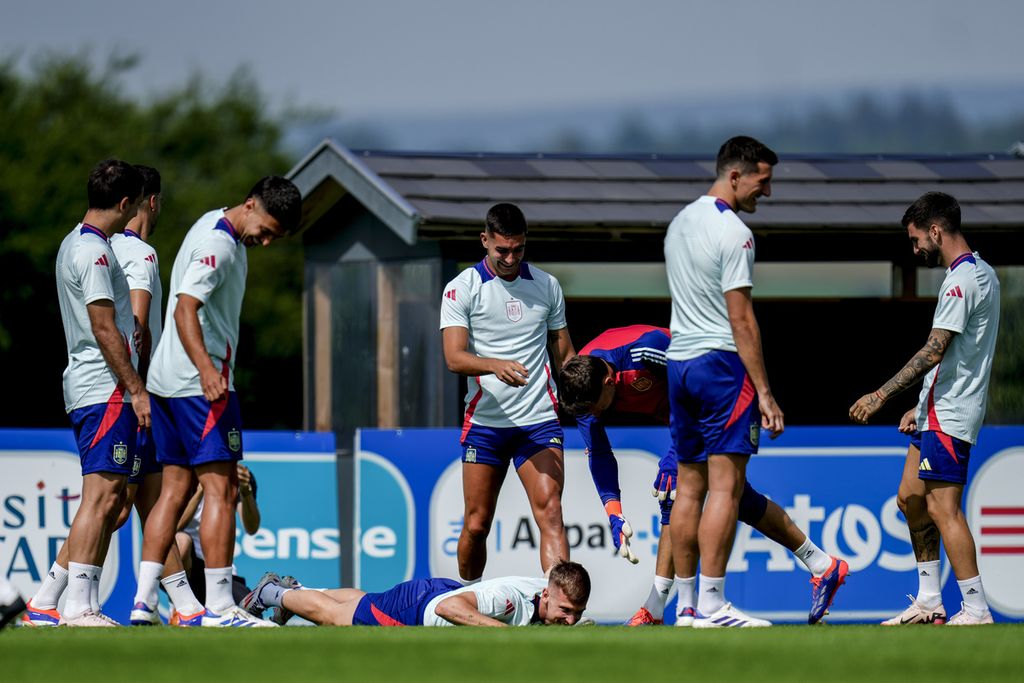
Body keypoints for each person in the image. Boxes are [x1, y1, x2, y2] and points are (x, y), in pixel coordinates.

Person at [558, 325, 847, 626]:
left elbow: (697, 389)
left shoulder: (646, 351)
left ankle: (676, 608)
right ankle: (823, 565)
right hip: (679, 413)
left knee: (678, 492)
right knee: (740, 500)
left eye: (593, 409)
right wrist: (614, 513)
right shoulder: (581, 386)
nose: (592, 416)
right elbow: (600, 453)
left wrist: (673, 457)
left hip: (716, 396)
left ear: (609, 382)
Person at [136, 176, 302, 628]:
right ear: (249, 204)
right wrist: (209, 372)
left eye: (274, 238)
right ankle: (222, 607)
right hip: (200, 384)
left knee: (171, 493)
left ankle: (144, 602)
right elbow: (185, 307)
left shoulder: (208, 221)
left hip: (166, 381)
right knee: (222, 491)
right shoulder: (222, 244)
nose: (265, 242)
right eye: (266, 230)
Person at [850, 192, 999, 626]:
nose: (916, 250)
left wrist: (880, 395)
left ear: (936, 231)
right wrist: (920, 405)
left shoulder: (960, 281)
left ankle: (975, 607)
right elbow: (961, 355)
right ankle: (930, 599)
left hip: (951, 414)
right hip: (936, 409)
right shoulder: (981, 271)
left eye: (917, 240)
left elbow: (935, 350)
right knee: (910, 498)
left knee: (941, 508)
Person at [662, 136, 785, 627]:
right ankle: (713, 604)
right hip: (720, 367)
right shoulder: (735, 232)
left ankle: (688, 606)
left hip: (679, 364)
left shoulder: (677, 225)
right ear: (736, 176)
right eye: (764, 181)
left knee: (689, 488)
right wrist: (767, 393)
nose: (767, 193)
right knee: (725, 489)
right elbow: (742, 319)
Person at [24, 159, 147, 627]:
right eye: (135, 204)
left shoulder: (76, 242)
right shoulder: (94, 251)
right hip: (104, 386)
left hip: (97, 385)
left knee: (110, 503)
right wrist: (135, 388)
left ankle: (45, 601)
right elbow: (102, 326)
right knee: (102, 497)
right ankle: (78, 606)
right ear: (124, 203)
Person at [440, 203, 576, 582]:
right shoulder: (461, 288)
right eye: (502, 250)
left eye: (518, 249)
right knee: (477, 523)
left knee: (551, 512)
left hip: (538, 421)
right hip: (486, 423)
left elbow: (564, 352)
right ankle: (466, 600)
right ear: (485, 241)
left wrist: (586, 389)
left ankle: (559, 611)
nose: (510, 258)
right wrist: (494, 364)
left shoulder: (547, 285)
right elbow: (454, 357)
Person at [241, 560, 591, 627]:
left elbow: (557, 573)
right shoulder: (507, 600)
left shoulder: (545, 588)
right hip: (422, 608)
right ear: (546, 596)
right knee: (339, 619)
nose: (570, 619)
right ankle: (271, 593)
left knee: (366, 600)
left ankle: (300, 590)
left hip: (433, 591)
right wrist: (503, 634)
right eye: (565, 610)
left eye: (575, 612)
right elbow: (450, 609)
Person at [174, 463, 261, 606]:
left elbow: (252, 528)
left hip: (221, 569)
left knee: (250, 612)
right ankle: (178, 608)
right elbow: (173, 527)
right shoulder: (180, 474)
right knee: (181, 541)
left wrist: (245, 491)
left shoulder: (236, 473)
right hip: (186, 565)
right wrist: (202, 488)